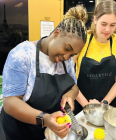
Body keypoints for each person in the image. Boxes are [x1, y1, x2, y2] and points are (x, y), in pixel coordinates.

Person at [0, 5, 88, 140]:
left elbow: (74, 86)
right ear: (56, 33)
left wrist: (70, 94)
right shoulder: (22, 55)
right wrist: (45, 119)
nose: (66, 57)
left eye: (72, 55)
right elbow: (10, 103)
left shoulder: (66, 61)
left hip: (50, 132)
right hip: (20, 132)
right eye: (66, 48)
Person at [73, 0, 116, 115]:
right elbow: (68, 76)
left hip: (109, 104)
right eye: (104, 24)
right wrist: (88, 106)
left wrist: (103, 105)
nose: (107, 29)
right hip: (81, 103)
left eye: (112, 25)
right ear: (95, 19)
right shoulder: (82, 38)